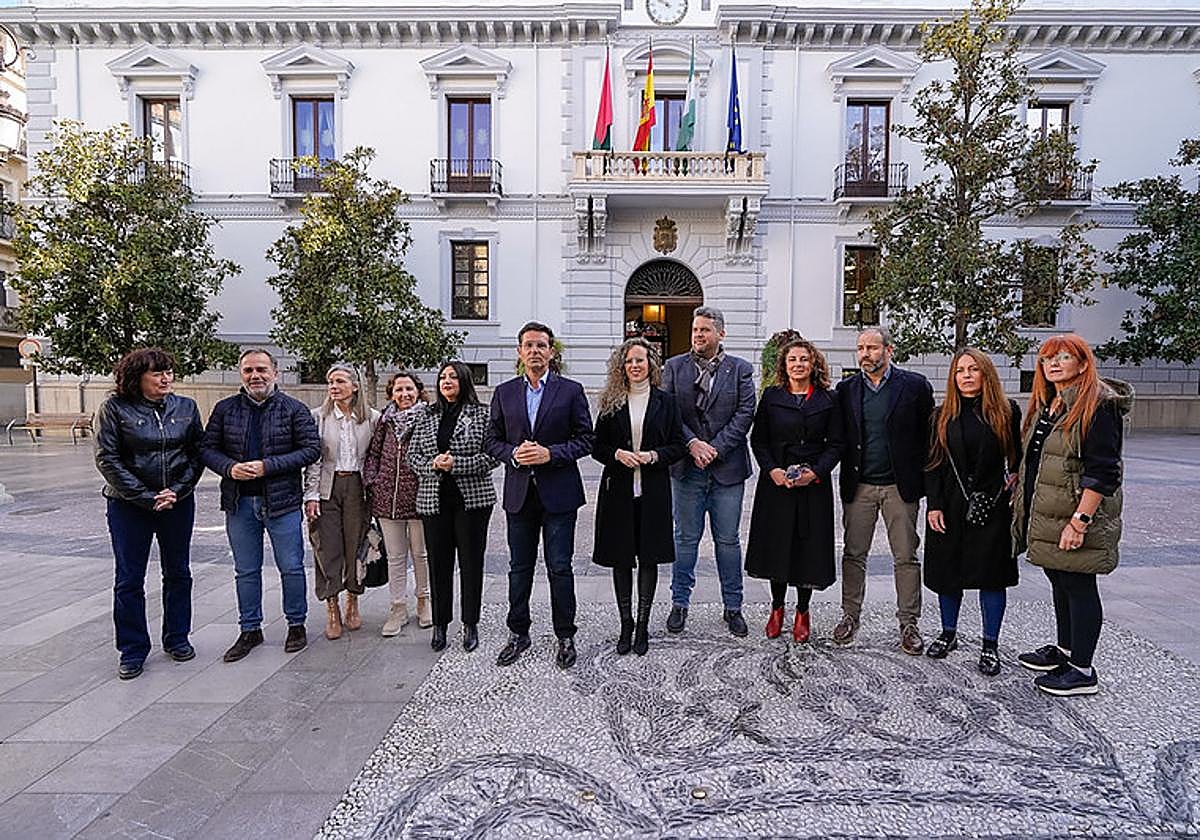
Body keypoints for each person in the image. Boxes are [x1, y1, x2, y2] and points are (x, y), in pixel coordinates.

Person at [1013, 334, 1131, 696]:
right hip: (1050, 511)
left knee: (1079, 585)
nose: (1053, 364)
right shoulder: (1051, 402)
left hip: (1074, 514)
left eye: (1063, 357)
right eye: (1047, 358)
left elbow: (1103, 470)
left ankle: (1082, 669)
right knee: (1059, 578)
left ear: (1082, 364)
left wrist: (1080, 522)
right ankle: (1065, 651)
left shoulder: (1098, 404)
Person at [486, 321, 595, 669]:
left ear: (551, 352)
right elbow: (491, 440)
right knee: (519, 568)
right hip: (519, 495)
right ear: (519, 352)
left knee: (560, 567)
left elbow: (586, 439)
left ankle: (565, 634)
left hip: (559, 494)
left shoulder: (571, 391)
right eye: (529, 345)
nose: (535, 351)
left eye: (541, 345)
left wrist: (551, 453)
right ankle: (518, 632)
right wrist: (513, 454)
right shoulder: (504, 393)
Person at [201, 348, 320, 663]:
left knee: (291, 567)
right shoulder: (225, 409)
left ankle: (296, 624)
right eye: (249, 370)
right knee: (246, 570)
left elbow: (311, 449)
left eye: (261, 370)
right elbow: (207, 449)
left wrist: (269, 466)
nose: (255, 376)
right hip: (239, 503)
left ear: (275, 372)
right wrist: (229, 468)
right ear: (241, 374)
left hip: (282, 502)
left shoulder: (293, 409)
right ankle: (250, 629)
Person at [95, 347, 204, 680]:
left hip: (177, 503)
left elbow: (196, 454)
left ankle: (177, 638)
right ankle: (132, 649)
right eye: (157, 373)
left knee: (178, 572)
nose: (165, 378)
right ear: (137, 377)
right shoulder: (114, 409)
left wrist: (178, 490)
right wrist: (146, 497)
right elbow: (107, 458)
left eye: (168, 371)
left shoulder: (186, 407)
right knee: (129, 578)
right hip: (129, 505)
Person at [834, 327, 934, 654]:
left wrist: (925, 481)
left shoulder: (915, 386)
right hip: (859, 485)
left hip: (899, 486)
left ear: (889, 350)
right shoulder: (846, 389)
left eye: (872, 348)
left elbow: (929, 438)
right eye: (861, 348)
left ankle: (909, 623)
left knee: (906, 556)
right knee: (853, 554)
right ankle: (850, 616)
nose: (865, 354)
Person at [923, 348, 1022, 676]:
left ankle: (990, 645)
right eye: (959, 370)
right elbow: (933, 464)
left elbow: (1017, 457)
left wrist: (1014, 479)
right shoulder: (941, 415)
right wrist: (934, 504)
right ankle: (948, 633)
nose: (965, 375)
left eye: (972, 369)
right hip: (950, 504)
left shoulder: (1007, 411)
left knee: (992, 577)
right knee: (947, 573)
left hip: (991, 504)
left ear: (986, 374)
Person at [661, 306, 756, 637]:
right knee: (684, 539)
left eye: (705, 330)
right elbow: (668, 412)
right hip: (687, 469)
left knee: (727, 540)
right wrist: (692, 444)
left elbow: (745, 413)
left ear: (721, 333)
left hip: (727, 469)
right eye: (695, 329)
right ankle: (679, 604)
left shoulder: (740, 369)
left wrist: (714, 448)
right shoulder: (674, 367)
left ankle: (733, 606)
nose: (698, 335)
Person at [591, 338, 687, 655]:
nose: (635, 365)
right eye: (629, 361)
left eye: (640, 360)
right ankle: (626, 623)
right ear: (622, 366)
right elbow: (596, 446)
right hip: (617, 491)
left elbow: (678, 445)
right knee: (621, 558)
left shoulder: (666, 402)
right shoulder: (612, 401)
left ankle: (643, 624)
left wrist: (654, 456)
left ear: (651, 364)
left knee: (648, 557)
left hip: (653, 490)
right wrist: (617, 454)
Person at [745, 339, 843, 643]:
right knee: (777, 546)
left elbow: (836, 444)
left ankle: (802, 610)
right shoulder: (772, 396)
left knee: (806, 549)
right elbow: (759, 440)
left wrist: (816, 472)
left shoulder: (828, 399)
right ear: (784, 365)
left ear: (813, 364)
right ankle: (777, 608)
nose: (798, 364)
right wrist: (772, 470)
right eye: (792, 360)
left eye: (803, 359)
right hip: (777, 485)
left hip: (812, 486)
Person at [408, 361, 499, 652]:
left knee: (471, 564)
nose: (447, 381)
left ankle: (470, 622)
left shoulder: (482, 414)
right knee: (439, 564)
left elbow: (492, 456)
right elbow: (413, 456)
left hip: (472, 501)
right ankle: (440, 623)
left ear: (464, 381)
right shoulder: (426, 414)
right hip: (434, 500)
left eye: (453, 377)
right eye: (443, 377)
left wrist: (456, 464)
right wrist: (433, 464)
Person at [304, 363, 381, 641]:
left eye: (340, 381)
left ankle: (353, 600)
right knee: (327, 548)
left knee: (355, 545)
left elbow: (375, 457)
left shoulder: (372, 418)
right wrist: (311, 495)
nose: (333, 387)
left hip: (358, 488)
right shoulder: (318, 417)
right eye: (330, 382)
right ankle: (332, 605)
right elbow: (314, 460)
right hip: (328, 486)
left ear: (355, 386)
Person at [363, 371, 432, 636]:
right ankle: (398, 607)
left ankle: (424, 601)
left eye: (409, 389)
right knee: (395, 556)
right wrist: (373, 480)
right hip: (386, 499)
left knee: (421, 554)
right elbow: (373, 453)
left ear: (418, 391)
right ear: (391, 394)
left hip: (419, 498)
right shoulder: (385, 420)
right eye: (399, 390)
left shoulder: (428, 418)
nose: (404, 394)